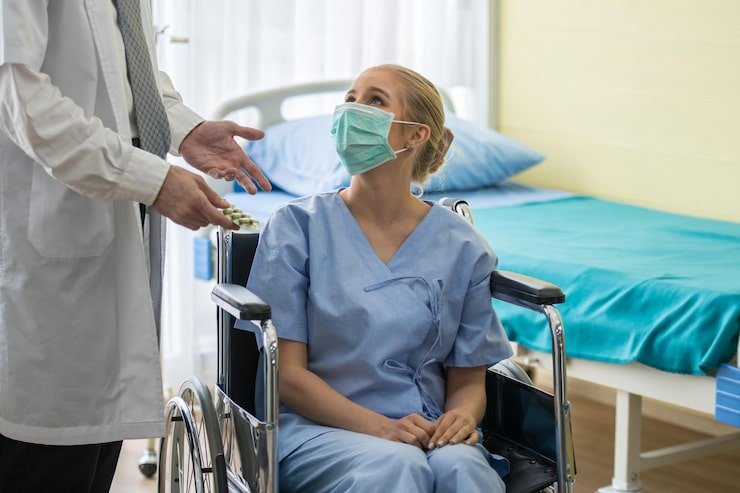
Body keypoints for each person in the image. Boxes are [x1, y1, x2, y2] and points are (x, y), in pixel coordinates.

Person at [0, 1, 271, 491]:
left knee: (95, 452)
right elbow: (19, 96)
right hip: (50, 251)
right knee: (47, 453)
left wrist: (184, 129)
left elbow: (131, 73)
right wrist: (154, 180)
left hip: (118, 227)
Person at [243, 64, 512, 492]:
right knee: (398, 467)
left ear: (415, 134)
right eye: (350, 99)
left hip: (422, 427)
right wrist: (381, 428)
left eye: (375, 100)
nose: (352, 110)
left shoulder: (462, 245)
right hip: (315, 428)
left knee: (465, 470)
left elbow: (468, 381)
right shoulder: (297, 227)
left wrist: (461, 416)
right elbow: (287, 377)